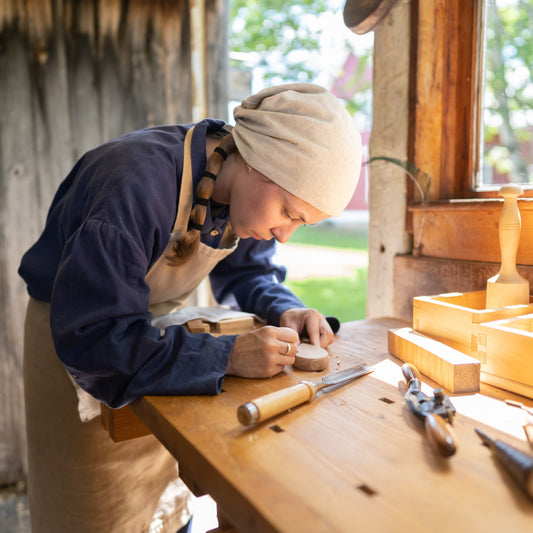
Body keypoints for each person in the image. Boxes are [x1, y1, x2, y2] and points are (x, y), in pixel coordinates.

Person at [18, 83, 362, 533]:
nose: (284, 236)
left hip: (157, 355)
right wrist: (228, 356)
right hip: (80, 345)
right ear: (258, 161)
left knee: (166, 512)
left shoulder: (234, 187)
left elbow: (247, 275)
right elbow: (96, 341)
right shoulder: (136, 187)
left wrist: (285, 310)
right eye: (290, 213)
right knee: (90, 517)